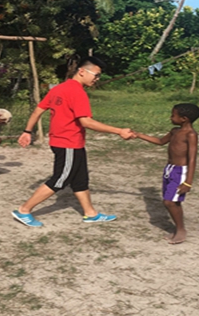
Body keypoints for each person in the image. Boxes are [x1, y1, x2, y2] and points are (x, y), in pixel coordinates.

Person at [13, 57, 135, 227]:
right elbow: (87, 122)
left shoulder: (59, 88)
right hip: (67, 143)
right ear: (82, 71)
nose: (96, 79)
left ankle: (90, 213)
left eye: (99, 76)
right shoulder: (77, 92)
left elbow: (38, 110)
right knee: (60, 180)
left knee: (80, 180)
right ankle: (24, 210)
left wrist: (27, 131)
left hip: (69, 142)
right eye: (96, 75)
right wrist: (119, 131)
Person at [134, 103, 199, 244]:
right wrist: (138, 135)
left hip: (181, 171)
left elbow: (192, 159)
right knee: (172, 201)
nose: (170, 118)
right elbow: (159, 141)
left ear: (184, 118)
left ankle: (181, 230)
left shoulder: (191, 135)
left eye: (173, 115)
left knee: (169, 202)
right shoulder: (175, 131)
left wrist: (188, 182)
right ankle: (178, 228)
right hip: (169, 169)